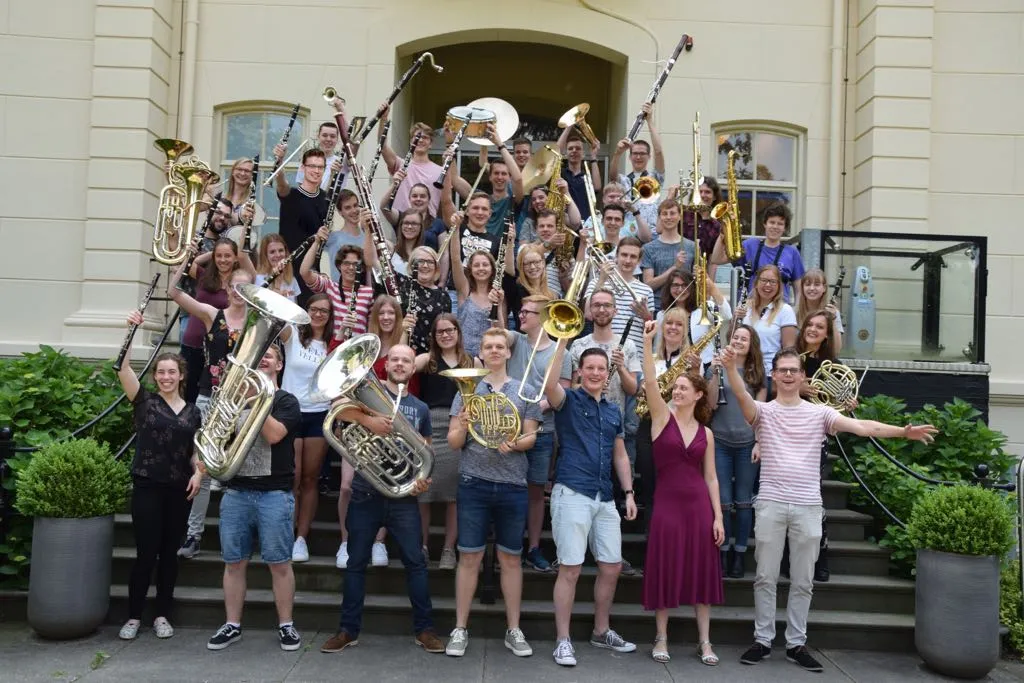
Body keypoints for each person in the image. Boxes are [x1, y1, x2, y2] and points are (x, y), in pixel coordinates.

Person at [721, 346, 937, 671]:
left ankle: (796, 644)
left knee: (803, 580)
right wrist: (729, 369)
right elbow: (740, 395)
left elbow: (863, 426)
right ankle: (762, 640)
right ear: (775, 375)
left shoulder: (820, 414)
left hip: (808, 506)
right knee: (765, 577)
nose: (790, 375)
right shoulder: (763, 412)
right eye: (783, 370)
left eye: (795, 370)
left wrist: (903, 432)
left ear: (802, 376)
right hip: (771, 503)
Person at [320, 345, 445, 655]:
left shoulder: (420, 408)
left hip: (403, 498)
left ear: (412, 368)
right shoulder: (362, 400)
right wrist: (370, 421)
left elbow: (425, 454)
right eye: (395, 360)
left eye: (406, 360)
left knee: (416, 562)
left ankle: (425, 629)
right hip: (365, 493)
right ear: (385, 365)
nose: (400, 364)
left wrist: (421, 481)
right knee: (356, 562)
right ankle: (348, 630)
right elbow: (336, 409)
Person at [445, 328, 542, 658]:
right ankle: (460, 628)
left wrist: (514, 443)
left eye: (501, 346)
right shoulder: (468, 392)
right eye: (489, 346)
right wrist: (460, 422)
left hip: (513, 484)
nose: (495, 351)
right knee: (469, 556)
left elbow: (531, 437)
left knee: (511, 559)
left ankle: (513, 629)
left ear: (509, 353)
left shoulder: (524, 391)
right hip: (474, 480)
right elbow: (455, 443)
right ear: (481, 353)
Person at [542, 338, 638, 668]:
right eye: (590, 368)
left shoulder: (613, 409)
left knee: (611, 566)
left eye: (601, 368)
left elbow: (620, 454)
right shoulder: (566, 399)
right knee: (570, 568)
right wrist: (561, 343)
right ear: (580, 372)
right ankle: (563, 640)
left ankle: (601, 631)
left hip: (605, 495)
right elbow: (550, 383)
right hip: (572, 492)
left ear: (607, 373)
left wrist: (628, 492)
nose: (596, 373)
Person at [206, 345, 303, 652]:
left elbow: (274, 435)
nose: (264, 359)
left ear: (280, 363)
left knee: (280, 564)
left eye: (270, 355)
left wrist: (254, 399)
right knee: (233, 563)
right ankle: (232, 624)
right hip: (236, 491)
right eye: (260, 355)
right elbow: (217, 438)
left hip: (274, 494)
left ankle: (286, 625)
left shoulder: (286, 401)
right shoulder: (232, 401)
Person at [638, 319, 724, 665]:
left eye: (685, 388)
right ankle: (661, 637)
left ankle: (705, 641)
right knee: (665, 568)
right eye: (676, 387)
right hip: (668, 505)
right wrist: (647, 343)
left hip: (700, 507)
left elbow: (712, 478)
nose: (678, 391)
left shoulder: (707, 432)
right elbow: (648, 381)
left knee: (702, 572)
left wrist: (718, 517)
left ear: (699, 394)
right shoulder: (661, 419)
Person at [116, 336, 202, 641]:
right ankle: (134, 617)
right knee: (145, 553)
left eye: (171, 372)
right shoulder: (145, 401)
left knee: (169, 554)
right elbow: (122, 367)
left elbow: (196, 451)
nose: (166, 377)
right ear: (155, 376)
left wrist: (200, 473)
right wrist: (130, 330)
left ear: (181, 376)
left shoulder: (193, 412)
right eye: (161, 372)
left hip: (179, 489)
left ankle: (162, 614)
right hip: (148, 486)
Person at [169, 258, 254, 559]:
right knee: (201, 468)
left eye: (244, 288)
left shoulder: (258, 321)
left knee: (240, 471)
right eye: (233, 287)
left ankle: (240, 538)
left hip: (242, 402)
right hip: (210, 395)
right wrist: (187, 261)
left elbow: (284, 338)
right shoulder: (213, 315)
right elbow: (174, 293)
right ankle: (194, 535)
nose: (237, 292)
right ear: (226, 287)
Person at [505, 294, 571, 572]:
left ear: (543, 318)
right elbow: (495, 334)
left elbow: (559, 395)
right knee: (509, 489)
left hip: (542, 430)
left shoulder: (562, 353)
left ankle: (532, 547)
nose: (521, 316)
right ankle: (509, 545)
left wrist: (531, 412)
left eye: (527, 313)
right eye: (520, 311)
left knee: (534, 492)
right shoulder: (515, 341)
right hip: (509, 429)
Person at [414, 314, 479, 569]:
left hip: (457, 426)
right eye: (440, 331)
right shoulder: (427, 359)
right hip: (428, 426)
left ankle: (449, 550)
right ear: (434, 335)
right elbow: (402, 366)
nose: (445, 335)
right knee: (424, 493)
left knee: (453, 495)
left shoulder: (470, 360)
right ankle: (422, 545)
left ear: (458, 332)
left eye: (450, 330)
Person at [705, 324, 766, 579]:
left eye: (745, 338)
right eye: (736, 337)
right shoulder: (714, 366)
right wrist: (716, 372)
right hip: (719, 441)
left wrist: (759, 441)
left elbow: (763, 413)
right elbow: (708, 405)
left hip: (746, 443)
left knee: (743, 501)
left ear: (751, 344)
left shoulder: (756, 373)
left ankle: (739, 554)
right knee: (723, 500)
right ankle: (721, 552)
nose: (740, 341)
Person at [280, 294, 334, 563]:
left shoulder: (332, 343)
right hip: (291, 411)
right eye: (314, 309)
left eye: (324, 310)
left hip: (319, 412)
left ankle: (301, 537)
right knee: (293, 476)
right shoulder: (293, 335)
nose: (318, 314)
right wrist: (285, 301)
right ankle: (286, 534)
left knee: (310, 478)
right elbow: (274, 319)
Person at [180, 237, 255, 402]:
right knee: (187, 394)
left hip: (219, 348)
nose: (223, 260)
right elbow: (180, 265)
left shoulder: (240, 283)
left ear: (235, 258)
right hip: (193, 342)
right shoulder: (204, 276)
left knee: (210, 394)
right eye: (219, 256)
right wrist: (207, 252)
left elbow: (249, 266)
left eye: (227, 255)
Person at [712, 202, 804, 304]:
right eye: (772, 222)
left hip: (780, 311)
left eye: (780, 224)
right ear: (765, 224)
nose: (775, 227)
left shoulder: (792, 252)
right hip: (750, 309)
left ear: (785, 228)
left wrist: (796, 312)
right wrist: (722, 234)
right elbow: (717, 259)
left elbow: (799, 288)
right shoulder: (750, 245)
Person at [273, 144, 330, 307]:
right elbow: (281, 183)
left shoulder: (326, 199)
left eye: (320, 167)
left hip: (311, 271)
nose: (317, 171)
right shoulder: (291, 194)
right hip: (288, 269)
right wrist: (279, 161)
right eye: (312, 166)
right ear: (303, 168)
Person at [381, 117, 470, 216]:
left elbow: (451, 196)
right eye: (417, 137)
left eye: (425, 137)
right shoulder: (400, 164)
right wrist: (383, 118)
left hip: (428, 226)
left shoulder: (440, 171)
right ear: (411, 141)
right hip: (402, 224)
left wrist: (450, 144)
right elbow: (383, 146)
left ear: (430, 144)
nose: (420, 140)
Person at [584, 236, 655, 351]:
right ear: (616, 256)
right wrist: (601, 280)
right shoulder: (596, 282)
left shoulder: (646, 290)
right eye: (624, 255)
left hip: (635, 352)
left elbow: (650, 330)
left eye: (633, 257)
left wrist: (646, 316)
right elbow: (588, 314)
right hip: (602, 352)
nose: (627, 260)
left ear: (639, 260)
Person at [378, 245, 451, 355]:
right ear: (412, 265)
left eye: (430, 262)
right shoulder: (401, 283)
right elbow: (372, 261)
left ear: (436, 267)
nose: (425, 265)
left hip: (429, 355)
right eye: (420, 261)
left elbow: (444, 329)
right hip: (398, 349)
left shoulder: (443, 296)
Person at [301, 239, 374, 341]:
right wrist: (317, 242)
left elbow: (372, 327)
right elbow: (304, 272)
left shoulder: (369, 293)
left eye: (356, 264)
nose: (351, 267)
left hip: (356, 351)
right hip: (331, 349)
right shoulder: (329, 286)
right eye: (346, 263)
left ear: (361, 268)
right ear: (339, 266)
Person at [610, 102, 665, 231]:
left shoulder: (654, 178)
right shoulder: (623, 180)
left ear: (649, 156)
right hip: (628, 234)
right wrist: (617, 153)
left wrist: (650, 121)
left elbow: (659, 151)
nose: (638, 157)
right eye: (635, 153)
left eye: (642, 154)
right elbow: (612, 177)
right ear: (629, 157)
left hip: (652, 234)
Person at [738, 264, 798, 382]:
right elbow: (733, 339)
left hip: (770, 374)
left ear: (779, 286)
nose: (767, 285)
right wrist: (735, 319)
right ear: (756, 283)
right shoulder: (745, 306)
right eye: (764, 280)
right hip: (743, 371)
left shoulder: (785, 310)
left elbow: (789, 349)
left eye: (773, 282)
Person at [451, 242, 505, 359]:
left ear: (492, 268)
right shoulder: (465, 291)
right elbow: (455, 259)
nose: (481, 268)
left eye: (485, 264)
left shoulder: (497, 294)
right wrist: (456, 228)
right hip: (463, 357)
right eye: (476, 265)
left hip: (488, 357)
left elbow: (500, 332)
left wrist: (498, 306)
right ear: (470, 269)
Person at [642, 199, 696, 308]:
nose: (668, 217)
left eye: (672, 213)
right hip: (658, 307)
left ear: (680, 216)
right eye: (664, 214)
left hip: (685, 307)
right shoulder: (648, 248)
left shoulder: (692, 247)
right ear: (659, 218)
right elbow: (648, 285)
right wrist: (675, 267)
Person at [320, 189, 369, 283]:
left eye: (355, 205)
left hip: (365, 293)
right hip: (342, 294)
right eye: (348, 208)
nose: (354, 210)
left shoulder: (367, 237)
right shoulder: (334, 238)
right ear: (340, 212)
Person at [556, 131, 602, 222]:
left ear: (583, 154)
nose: (574, 150)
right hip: (566, 224)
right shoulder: (560, 173)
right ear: (565, 153)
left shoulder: (586, 176)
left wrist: (593, 156)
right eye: (570, 148)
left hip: (586, 225)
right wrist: (569, 126)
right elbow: (556, 152)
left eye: (578, 148)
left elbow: (597, 187)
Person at [582, 184, 652, 243]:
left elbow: (647, 239)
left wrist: (635, 212)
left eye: (619, 196)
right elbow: (586, 242)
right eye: (611, 196)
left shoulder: (632, 221)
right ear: (603, 199)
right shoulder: (593, 219)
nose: (616, 200)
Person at [797, 268, 844, 352]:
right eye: (807, 284)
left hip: (823, 361)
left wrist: (832, 320)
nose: (812, 288)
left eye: (817, 284)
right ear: (802, 287)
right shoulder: (793, 312)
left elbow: (837, 349)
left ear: (824, 288)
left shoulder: (833, 312)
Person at [677, 175, 723, 260]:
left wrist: (708, 274)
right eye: (699, 191)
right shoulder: (683, 213)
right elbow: (660, 229)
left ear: (714, 197)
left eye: (707, 192)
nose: (703, 195)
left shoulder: (716, 226)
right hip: (679, 268)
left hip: (700, 271)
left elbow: (712, 259)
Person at [294, 121, 342, 191]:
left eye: (332, 136)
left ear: (337, 139)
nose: (328, 139)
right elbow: (303, 190)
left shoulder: (340, 162)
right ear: (318, 136)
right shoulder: (307, 160)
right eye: (324, 135)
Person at [254, 233, 301, 303]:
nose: (278, 255)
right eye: (272, 252)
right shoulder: (258, 279)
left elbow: (294, 306)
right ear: (265, 255)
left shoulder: (291, 279)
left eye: (281, 250)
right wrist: (277, 282)